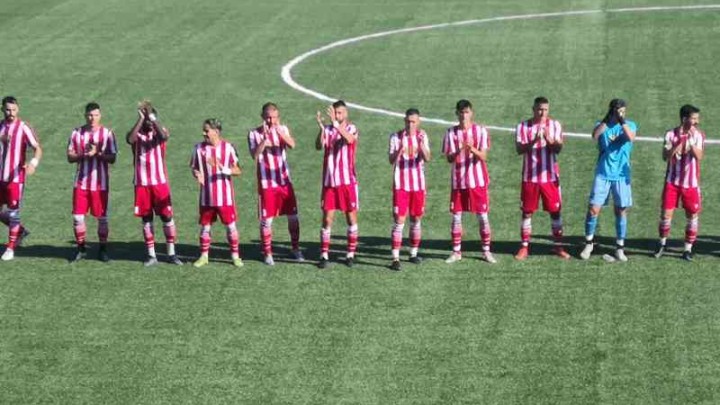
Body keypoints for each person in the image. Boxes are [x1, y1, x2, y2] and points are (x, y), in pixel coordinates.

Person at [126, 101, 183, 267]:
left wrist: (151, 117)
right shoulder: (137, 134)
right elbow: (130, 139)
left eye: (151, 119)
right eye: (147, 120)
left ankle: (171, 253)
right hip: (142, 183)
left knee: (167, 216)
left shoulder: (160, 131)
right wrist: (141, 118)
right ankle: (151, 255)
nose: (149, 123)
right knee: (146, 218)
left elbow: (164, 137)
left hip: (159, 182)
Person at [580, 99, 637, 262]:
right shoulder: (602, 125)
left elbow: (630, 137)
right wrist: (608, 119)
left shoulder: (630, 125)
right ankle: (589, 243)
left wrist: (622, 121)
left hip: (621, 176)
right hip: (603, 173)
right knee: (593, 209)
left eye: (623, 111)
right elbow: (595, 135)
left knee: (621, 210)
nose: (621, 114)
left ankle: (620, 248)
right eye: (619, 111)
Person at [514, 97, 570, 260]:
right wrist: (534, 140)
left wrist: (548, 139)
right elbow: (519, 149)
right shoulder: (523, 126)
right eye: (539, 109)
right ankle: (524, 247)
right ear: (533, 109)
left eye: (545, 109)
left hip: (550, 177)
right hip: (530, 177)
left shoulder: (555, 125)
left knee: (555, 212)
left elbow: (558, 149)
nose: (542, 113)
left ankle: (558, 246)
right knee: (527, 213)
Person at [248, 102, 303, 266]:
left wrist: (279, 132)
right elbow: (254, 155)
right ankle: (267, 253)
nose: (271, 121)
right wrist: (264, 141)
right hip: (267, 183)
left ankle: (295, 248)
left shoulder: (283, 129)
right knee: (267, 220)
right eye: (268, 118)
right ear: (262, 117)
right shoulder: (254, 134)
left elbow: (292, 144)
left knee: (293, 217)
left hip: (284, 182)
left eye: (274, 117)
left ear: (278, 117)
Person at [442, 99, 496, 264]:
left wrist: (472, 148)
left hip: (477, 182)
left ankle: (486, 251)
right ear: (457, 113)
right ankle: (456, 252)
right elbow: (449, 159)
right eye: (461, 112)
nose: (464, 116)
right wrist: (459, 149)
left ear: (471, 113)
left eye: (466, 112)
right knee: (456, 218)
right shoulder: (450, 133)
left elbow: (484, 156)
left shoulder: (480, 131)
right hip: (458, 182)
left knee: (483, 217)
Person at [67, 102, 118, 262]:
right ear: (85, 115)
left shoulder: (107, 133)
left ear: (100, 115)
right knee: (78, 217)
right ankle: (81, 249)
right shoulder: (76, 133)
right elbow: (69, 157)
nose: (92, 118)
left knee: (102, 218)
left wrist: (97, 154)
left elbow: (112, 158)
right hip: (81, 182)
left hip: (100, 184)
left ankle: (102, 250)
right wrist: (83, 155)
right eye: (89, 115)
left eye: (95, 115)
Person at [653, 104, 704, 261]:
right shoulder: (670, 134)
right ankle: (662, 244)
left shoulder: (698, 135)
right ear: (684, 119)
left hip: (691, 184)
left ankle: (687, 249)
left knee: (692, 215)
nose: (696, 121)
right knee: (666, 215)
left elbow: (699, 156)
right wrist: (677, 145)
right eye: (694, 118)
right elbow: (665, 156)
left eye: (697, 118)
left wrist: (690, 142)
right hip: (672, 182)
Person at [190, 118, 243, 268]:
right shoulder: (198, 148)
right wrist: (197, 174)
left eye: (206, 130)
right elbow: (194, 168)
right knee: (205, 227)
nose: (203, 133)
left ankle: (235, 256)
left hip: (225, 197)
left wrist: (223, 169)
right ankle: (204, 256)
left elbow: (238, 170)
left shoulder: (229, 148)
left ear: (216, 131)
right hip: (206, 197)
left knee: (231, 227)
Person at [315, 100, 359, 268]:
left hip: (347, 182)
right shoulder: (328, 130)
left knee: (351, 218)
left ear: (346, 113)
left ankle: (350, 254)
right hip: (330, 183)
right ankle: (324, 255)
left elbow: (349, 139)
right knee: (327, 219)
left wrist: (335, 123)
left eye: (340, 113)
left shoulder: (352, 128)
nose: (337, 115)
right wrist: (321, 129)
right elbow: (318, 146)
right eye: (335, 113)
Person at [388, 108, 430, 271]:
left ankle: (413, 253)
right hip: (401, 185)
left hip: (418, 185)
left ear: (418, 122)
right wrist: (399, 150)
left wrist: (421, 145)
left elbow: (427, 158)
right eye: (408, 121)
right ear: (404, 121)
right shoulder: (395, 137)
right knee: (399, 220)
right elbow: (391, 160)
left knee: (416, 219)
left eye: (413, 122)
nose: (410, 124)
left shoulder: (422, 136)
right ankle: (395, 258)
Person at [0, 96, 42, 261]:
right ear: (2, 109)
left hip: (15, 178)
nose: (11, 113)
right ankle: (21, 231)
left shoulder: (23, 127)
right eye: (7, 109)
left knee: (13, 213)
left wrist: (33, 163)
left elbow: (37, 148)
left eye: (14, 110)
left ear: (18, 109)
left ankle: (10, 248)